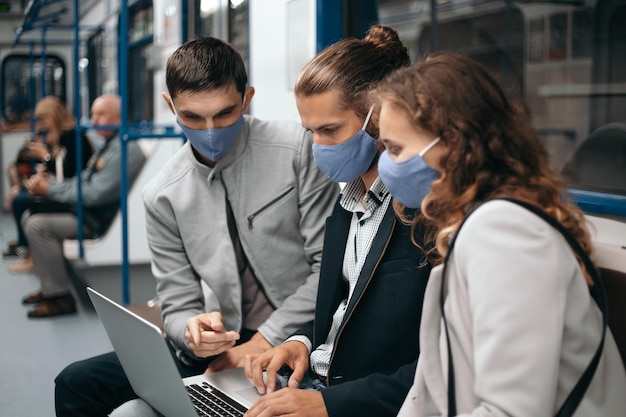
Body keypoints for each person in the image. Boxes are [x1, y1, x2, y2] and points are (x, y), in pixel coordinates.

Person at [54, 37, 339, 417]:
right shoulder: (163, 194)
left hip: (297, 334)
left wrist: (264, 340)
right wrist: (192, 331)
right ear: (169, 105)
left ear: (247, 98)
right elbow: (176, 301)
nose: (209, 131)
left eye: (224, 114)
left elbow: (328, 270)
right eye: (191, 117)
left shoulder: (298, 149)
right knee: (76, 383)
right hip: (224, 344)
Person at [372, 52, 626, 416]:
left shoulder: (505, 233)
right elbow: (428, 389)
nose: (387, 166)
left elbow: (511, 409)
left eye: (396, 150)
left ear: (454, 144)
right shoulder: (476, 224)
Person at [239, 25, 431, 417]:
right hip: (314, 387)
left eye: (330, 130)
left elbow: (432, 368)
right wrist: (302, 344)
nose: (319, 147)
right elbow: (344, 310)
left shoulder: (422, 214)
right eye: (311, 132)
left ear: (377, 119)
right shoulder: (346, 204)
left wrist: (325, 404)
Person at [19, 94, 146, 318]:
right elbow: (83, 181)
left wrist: (50, 189)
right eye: (93, 113)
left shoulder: (125, 150)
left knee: (37, 225)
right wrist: (52, 186)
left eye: (101, 114)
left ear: (117, 118)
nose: (94, 119)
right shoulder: (108, 145)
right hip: (88, 211)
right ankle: (49, 286)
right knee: (30, 214)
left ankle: (60, 297)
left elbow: (95, 194)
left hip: (97, 219)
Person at [4, 96, 94, 274]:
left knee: (24, 203)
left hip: (70, 192)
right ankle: (29, 252)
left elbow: (68, 171)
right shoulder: (57, 136)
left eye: (44, 119)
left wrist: (45, 157)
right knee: (22, 197)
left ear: (54, 116)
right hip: (61, 185)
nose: (41, 124)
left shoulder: (72, 136)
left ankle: (30, 253)